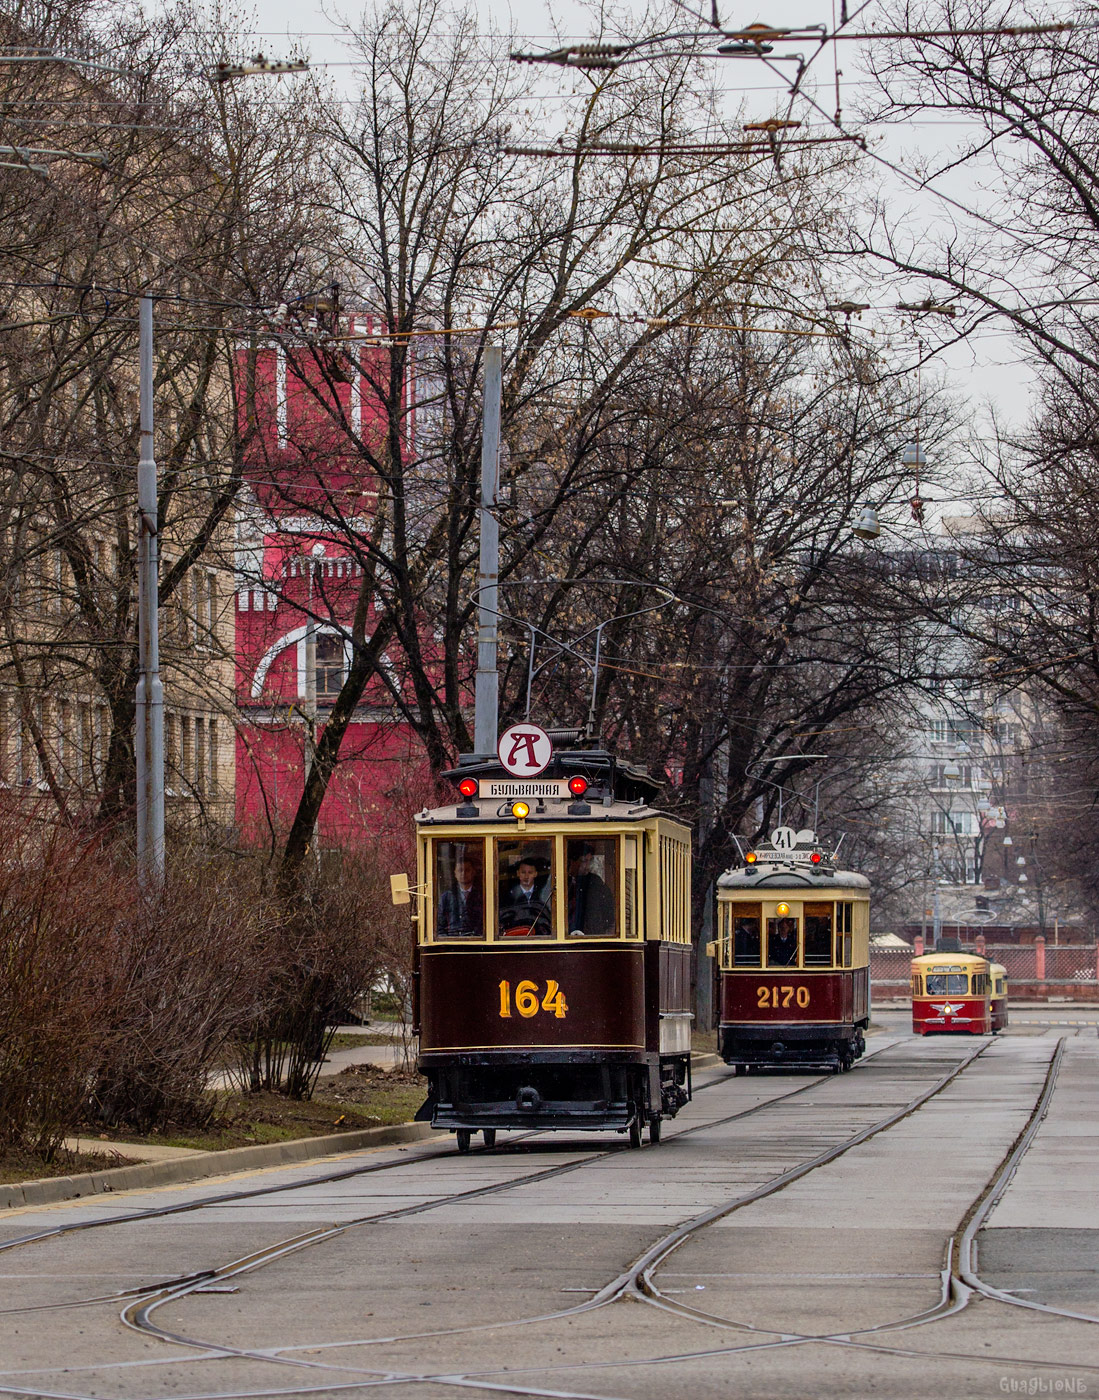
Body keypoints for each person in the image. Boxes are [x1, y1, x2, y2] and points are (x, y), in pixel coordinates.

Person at [567, 843, 615, 936]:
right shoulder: (563, 882)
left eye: (589, 861)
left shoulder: (595, 882)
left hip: (591, 936)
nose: (587, 866)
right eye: (583, 861)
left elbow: (608, 912)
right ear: (572, 861)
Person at [499, 857, 552, 935]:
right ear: (518, 873)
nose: (526, 876)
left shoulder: (544, 895)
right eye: (523, 872)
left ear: (535, 874)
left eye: (530, 872)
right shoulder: (508, 897)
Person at [436, 854, 484, 937]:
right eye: (460, 870)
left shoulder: (482, 896)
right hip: (452, 941)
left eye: (467, 870)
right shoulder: (446, 897)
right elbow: (439, 925)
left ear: (473, 872)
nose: (463, 873)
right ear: (455, 873)